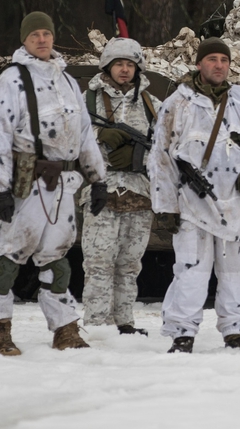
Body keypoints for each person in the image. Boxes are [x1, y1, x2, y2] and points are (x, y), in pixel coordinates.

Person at [0, 11, 108, 355]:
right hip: (27, 183)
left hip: (64, 182)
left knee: (57, 259)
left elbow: (84, 134)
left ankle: (65, 329)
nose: (42, 40)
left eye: (46, 34)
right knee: (7, 258)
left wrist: (97, 179)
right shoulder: (11, 80)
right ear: (24, 40)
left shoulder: (66, 81)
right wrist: (0, 187)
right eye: (34, 35)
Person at [148, 38, 240, 353]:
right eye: (212, 59)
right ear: (200, 64)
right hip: (192, 203)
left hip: (235, 205)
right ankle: (182, 333)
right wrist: (166, 205)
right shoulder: (178, 103)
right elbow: (161, 156)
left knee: (235, 274)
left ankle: (235, 331)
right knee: (191, 271)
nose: (219, 65)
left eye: (223, 60)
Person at [79, 37, 162, 336]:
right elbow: (72, 141)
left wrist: (140, 157)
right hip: (102, 191)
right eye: (118, 64)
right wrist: (102, 135)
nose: (124, 70)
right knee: (99, 262)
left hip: (139, 193)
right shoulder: (87, 101)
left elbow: (167, 149)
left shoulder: (153, 105)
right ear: (107, 67)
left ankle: (124, 322)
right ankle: (98, 324)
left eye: (130, 65)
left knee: (129, 264)